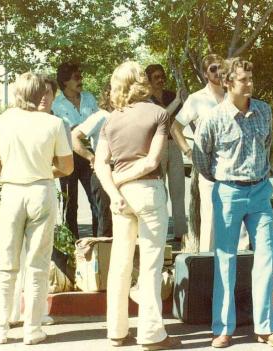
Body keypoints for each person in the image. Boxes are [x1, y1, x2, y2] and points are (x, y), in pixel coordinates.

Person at [193, 57, 273, 348]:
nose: (249, 84)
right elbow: (200, 158)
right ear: (227, 83)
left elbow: (268, 145)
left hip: (260, 194)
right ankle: (223, 328)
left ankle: (266, 328)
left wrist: (260, 177)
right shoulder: (213, 118)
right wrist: (224, 180)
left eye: (251, 78)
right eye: (243, 80)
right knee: (225, 260)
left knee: (266, 258)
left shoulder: (263, 111)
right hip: (228, 193)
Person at [0, 72, 73, 345]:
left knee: (5, 264)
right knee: (37, 263)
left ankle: (0, 328)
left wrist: (8, 168)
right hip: (41, 190)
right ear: (40, 94)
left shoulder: (2, 122)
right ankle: (33, 329)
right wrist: (43, 169)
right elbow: (66, 167)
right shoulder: (54, 123)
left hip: (12, 190)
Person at [95, 61, 180, 350]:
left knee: (119, 263)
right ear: (141, 81)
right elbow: (152, 161)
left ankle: (117, 331)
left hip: (121, 198)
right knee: (151, 264)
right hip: (148, 190)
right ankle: (152, 335)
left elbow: (99, 164)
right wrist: (123, 180)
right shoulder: (158, 113)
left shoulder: (111, 119)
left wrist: (114, 188)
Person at [171, 54, 249, 252]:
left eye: (221, 68)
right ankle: (207, 267)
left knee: (239, 220)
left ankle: (240, 267)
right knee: (211, 220)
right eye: (213, 69)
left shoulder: (234, 96)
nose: (218, 72)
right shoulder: (196, 99)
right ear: (205, 74)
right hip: (208, 168)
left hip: (235, 166)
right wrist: (189, 152)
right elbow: (175, 128)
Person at [52, 62, 99, 239]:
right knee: (70, 203)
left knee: (96, 200)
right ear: (65, 81)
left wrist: (79, 129)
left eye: (81, 76)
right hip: (68, 155)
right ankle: (71, 244)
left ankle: (98, 241)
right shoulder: (57, 104)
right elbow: (66, 133)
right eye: (76, 77)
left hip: (90, 155)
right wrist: (80, 130)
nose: (81, 80)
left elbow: (97, 124)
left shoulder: (89, 98)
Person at [145, 64, 187, 241]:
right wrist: (176, 101)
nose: (161, 80)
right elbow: (160, 118)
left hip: (174, 144)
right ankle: (160, 232)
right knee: (160, 190)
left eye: (162, 76)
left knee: (178, 190)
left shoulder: (170, 95)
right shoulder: (145, 99)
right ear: (148, 79)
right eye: (156, 77)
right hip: (157, 146)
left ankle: (181, 233)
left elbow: (181, 119)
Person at [72, 86, 113, 237]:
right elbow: (73, 136)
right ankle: (102, 258)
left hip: (125, 171)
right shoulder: (101, 116)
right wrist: (91, 156)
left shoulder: (127, 115)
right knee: (106, 220)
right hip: (105, 170)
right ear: (109, 97)